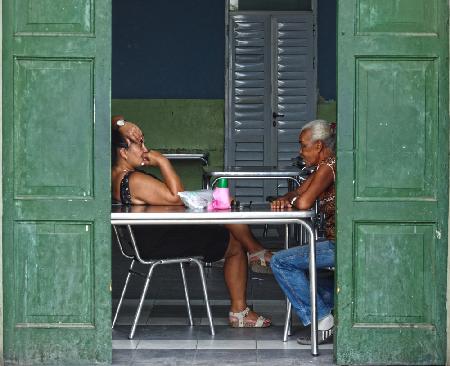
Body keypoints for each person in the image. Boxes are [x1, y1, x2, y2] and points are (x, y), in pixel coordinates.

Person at [111, 116, 273, 327]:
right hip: (155, 243)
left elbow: (107, 124)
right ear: (123, 152)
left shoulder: (114, 175)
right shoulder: (134, 180)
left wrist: (122, 125)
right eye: (139, 144)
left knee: (221, 217)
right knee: (234, 244)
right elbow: (177, 198)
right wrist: (162, 161)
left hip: (145, 240)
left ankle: (256, 252)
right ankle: (241, 307)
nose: (145, 149)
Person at [270, 119, 336, 344]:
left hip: (342, 244)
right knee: (303, 272)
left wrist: (296, 199)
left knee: (281, 262)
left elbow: (305, 201)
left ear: (318, 146)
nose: (301, 151)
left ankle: (323, 320)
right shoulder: (322, 166)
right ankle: (329, 311)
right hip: (337, 241)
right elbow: (299, 192)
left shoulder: (330, 166)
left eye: (303, 145)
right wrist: (284, 199)